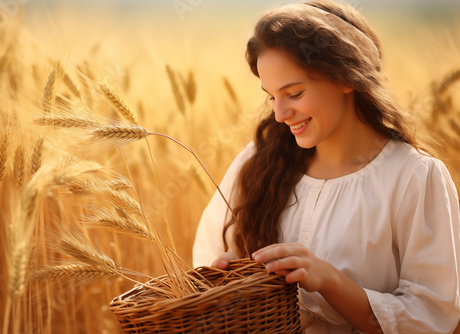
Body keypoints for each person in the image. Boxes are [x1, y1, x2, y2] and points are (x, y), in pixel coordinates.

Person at [192, 1, 460, 333]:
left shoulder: (415, 178)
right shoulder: (257, 161)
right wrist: (232, 278)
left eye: (294, 93)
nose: (279, 114)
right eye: (272, 96)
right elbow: (211, 260)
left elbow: (431, 318)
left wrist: (328, 279)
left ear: (346, 77)